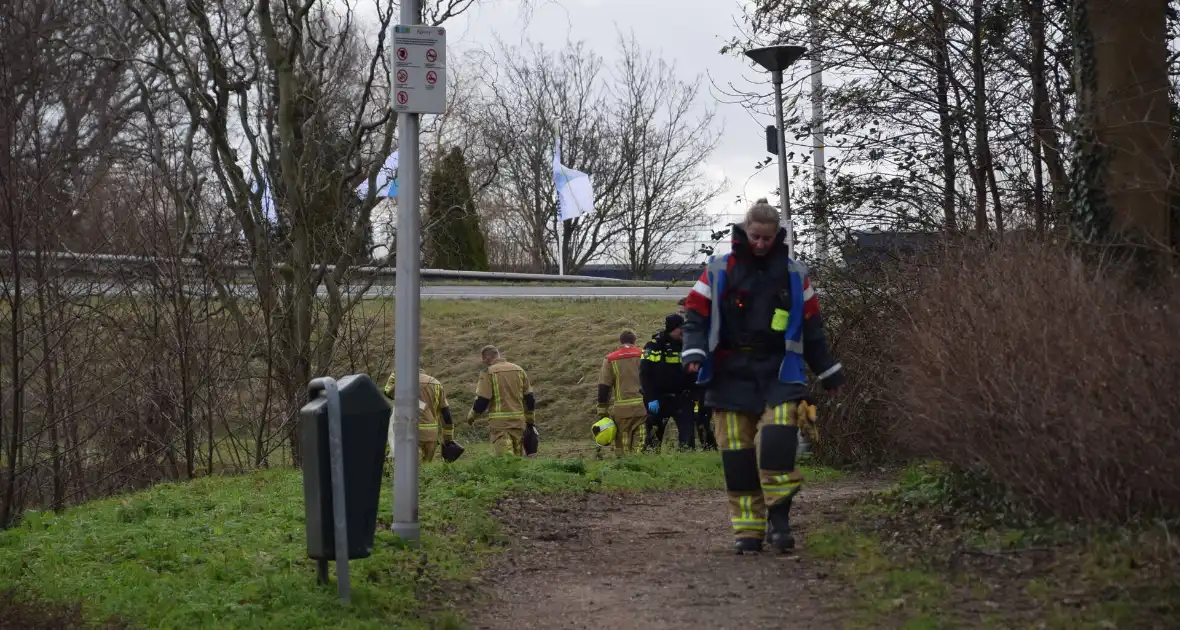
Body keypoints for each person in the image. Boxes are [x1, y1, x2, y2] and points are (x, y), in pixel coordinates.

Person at [681, 198, 844, 555]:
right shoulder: (718, 270)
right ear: (744, 231)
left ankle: (780, 521)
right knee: (737, 456)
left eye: (767, 239)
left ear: (777, 236)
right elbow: (695, 315)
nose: (760, 244)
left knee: (777, 446)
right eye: (755, 236)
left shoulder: (795, 274)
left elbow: (813, 329)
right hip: (729, 374)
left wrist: (828, 370)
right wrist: (693, 351)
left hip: (780, 373)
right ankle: (748, 531)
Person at [640, 314, 697, 451]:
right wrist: (650, 399)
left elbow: (693, 373)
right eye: (681, 329)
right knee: (653, 439)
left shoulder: (686, 346)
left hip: (682, 397)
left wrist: (695, 395)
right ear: (673, 329)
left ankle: (687, 466)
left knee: (687, 439)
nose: (684, 332)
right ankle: (651, 465)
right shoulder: (654, 346)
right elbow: (645, 375)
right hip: (659, 398)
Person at [466, 345, 536, 456]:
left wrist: (471, 416)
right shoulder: (519, 370)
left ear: (488, 357)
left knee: (503, 460)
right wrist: (530, 420)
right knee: (519, 458)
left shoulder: (488, 371)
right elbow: (529, 398)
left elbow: (482, 400)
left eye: (483, 359)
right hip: (518, 423)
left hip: (500, 425)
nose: (483, 363)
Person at [382, 368, 455, 463]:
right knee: (426, 469)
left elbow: (387, 393)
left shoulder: (403, 383)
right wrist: (448, 439)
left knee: (408, 469)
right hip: (430, 434)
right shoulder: (435, 383)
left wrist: (394, 375)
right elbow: (446, 413)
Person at [596, 330, 646, 455]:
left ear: (621, 341)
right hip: (643, 408)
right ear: (634, 341)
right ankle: (641, 466)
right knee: (641, 442)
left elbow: (604, 386)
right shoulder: (643, 355)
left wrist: (602, 410)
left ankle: (624, 467)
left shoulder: (610, 359)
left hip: (621, 411)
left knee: (623, 443)